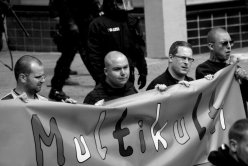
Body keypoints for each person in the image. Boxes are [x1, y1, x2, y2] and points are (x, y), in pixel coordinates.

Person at [86, 0, 147, 89]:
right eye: (120, 3)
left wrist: (143, 71)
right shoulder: (98, 24)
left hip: (127, 75)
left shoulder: (131, 21)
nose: (124, 6)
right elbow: (93, 56)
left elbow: (138, 49)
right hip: (107, 78)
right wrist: (101, 78)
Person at [48, 0, 101, 101]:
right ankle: (56, 88)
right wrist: (70, 23)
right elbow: (63, 5)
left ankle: (56, 88)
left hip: (83, 21)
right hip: (74, 23)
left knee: (84, 55)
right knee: (70, 55)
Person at [195, 27, 248, 111]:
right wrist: (230, 69)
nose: (229, 47)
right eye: (224, 43)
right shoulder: (203, 69)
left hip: (240, 120)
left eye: (230, 43)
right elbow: (215, 97)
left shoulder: (235, 68)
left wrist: (245, 79)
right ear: (211, 46)